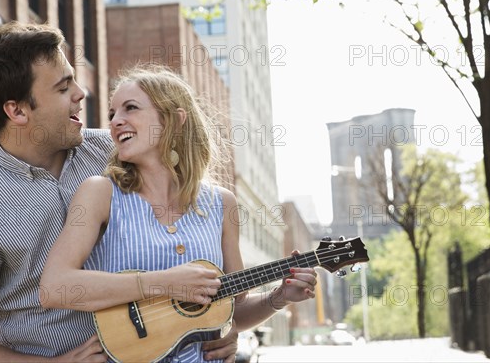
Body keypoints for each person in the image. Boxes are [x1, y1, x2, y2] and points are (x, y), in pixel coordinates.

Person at [0, 22, 237, 362]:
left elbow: (191, 225)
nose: (80, 93)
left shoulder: (115, 152)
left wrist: (223, 330)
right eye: (62, 86)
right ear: (17, 111)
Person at [39, 65, 318, 362]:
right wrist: (163, 282)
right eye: (112, 114)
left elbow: (232, 311)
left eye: (130, 108)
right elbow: (55, 288)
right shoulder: (100, 194)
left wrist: (279, 298)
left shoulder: (221, 204)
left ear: (174, 119)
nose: (116, 122)